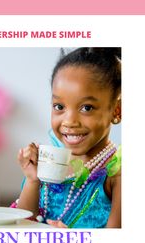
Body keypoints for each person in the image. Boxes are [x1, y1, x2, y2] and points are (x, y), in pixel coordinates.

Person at [15, 47, 121, 228]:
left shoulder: (117, 174)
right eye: (59, 106)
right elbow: (23, 226)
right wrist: (33, 180)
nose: (69, 121)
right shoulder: (50, 162)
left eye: (86, 108)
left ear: (116, 111)